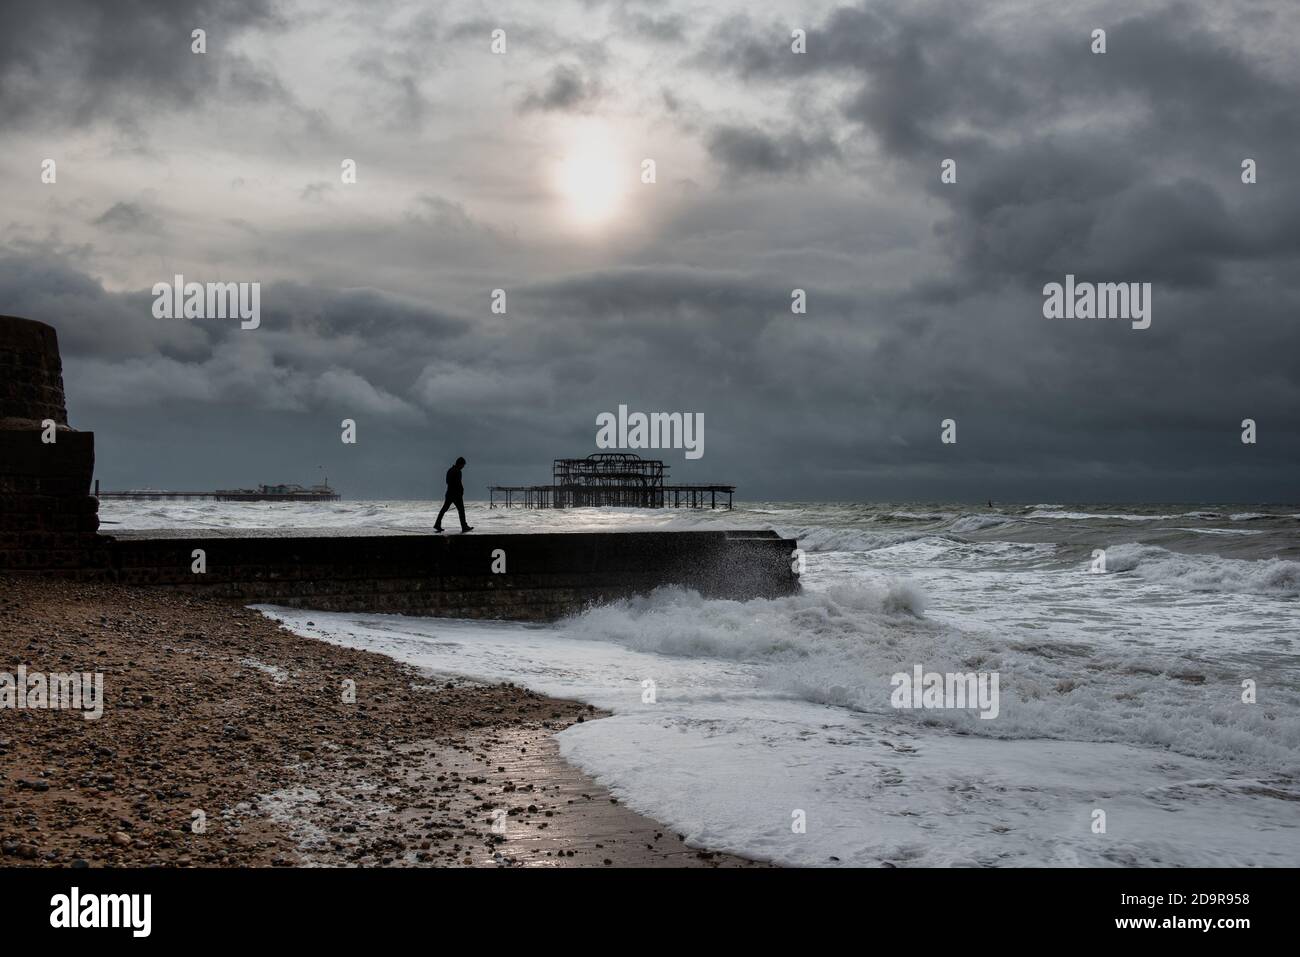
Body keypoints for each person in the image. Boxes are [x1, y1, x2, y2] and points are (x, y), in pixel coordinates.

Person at [435, 456, 473, 533]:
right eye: (463, 465)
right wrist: (461, 491)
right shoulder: (458, 471)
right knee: (461, 511)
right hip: (456, 494)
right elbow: (459, 483)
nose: (463, 467)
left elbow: (447, 482)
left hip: (449, 493)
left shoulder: (450, 470)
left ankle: (437, 524)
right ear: (460, 464)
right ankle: (464, 526)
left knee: (444, 509)